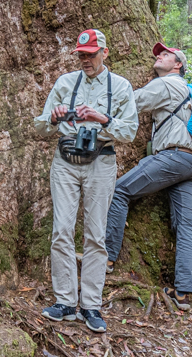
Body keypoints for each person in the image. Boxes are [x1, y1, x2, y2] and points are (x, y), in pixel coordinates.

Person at [34, 30, 138, 332]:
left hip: (101, 161)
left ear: (104, 53)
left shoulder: (120, 86)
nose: (85, 60)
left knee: (95, 235)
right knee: (61, 231)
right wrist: (53, 118)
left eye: (91, 54)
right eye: (81, 55)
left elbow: (130, 132)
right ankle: (65, 301)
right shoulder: (65, 83)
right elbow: (40, 127)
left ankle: (91, 305)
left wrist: (102, 119)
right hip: (65, 161)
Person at [104, 42, 192, 311]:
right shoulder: (189, 91)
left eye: (166, 54)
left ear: (178, 65)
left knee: (120, 191)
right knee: (185, 227)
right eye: (158, 53)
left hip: (172, 157)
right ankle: (182, 293)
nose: (159, 56)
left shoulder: (168, 84)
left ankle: (107, 258)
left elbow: (132, 102)